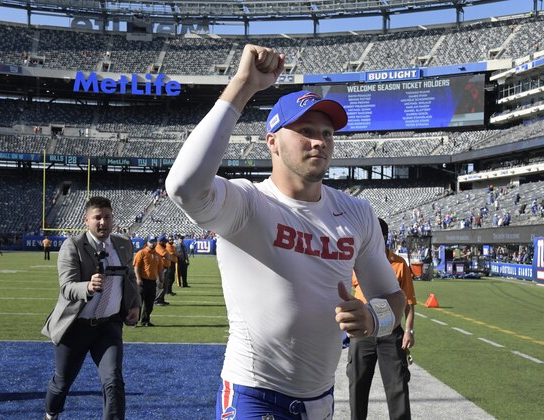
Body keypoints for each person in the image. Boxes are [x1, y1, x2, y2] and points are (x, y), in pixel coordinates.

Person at [166, 44, 405, 419]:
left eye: (327, 133)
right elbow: (183, 186)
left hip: (321, 400)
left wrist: (375, 319)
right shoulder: (247, 203)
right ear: (272, 142)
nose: (319, 141)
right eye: (306, 130)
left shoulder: (358, 212)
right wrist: (243, 86)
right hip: (253, 394)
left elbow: (392, 296)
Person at [42, 196, 141, 420]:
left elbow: (130, 279)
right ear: (86, 220)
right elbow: (67, 287)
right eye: (97, 217)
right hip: (75, 326)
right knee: (62, 382)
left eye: (107, 217)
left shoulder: (123, 244)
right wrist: (87, 285)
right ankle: (51, 413)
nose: (103, 222)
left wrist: (135, 304)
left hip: (108, 327)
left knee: (113, 380)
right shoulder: (73, 245)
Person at [347, 218, 416, 420]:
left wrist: (409, 331)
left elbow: (409, 302)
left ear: (383, 237)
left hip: (390, 332)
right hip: (362, 335)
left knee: (398, 386)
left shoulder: (399, 264)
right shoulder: (356, 261)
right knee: (357, 385)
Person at [133, 235, 163, 326]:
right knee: (139, 302)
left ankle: (145, 321)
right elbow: (136, 267)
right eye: (151, 241)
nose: (152, 243)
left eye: (154, 241)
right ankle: (134, 321)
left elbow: (160, 269)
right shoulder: (141, 253)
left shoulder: (158, 255)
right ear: (147, 243)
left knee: (149, 303)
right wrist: (138, 278)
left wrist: (161, 281)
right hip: (142, 281)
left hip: (152, 282)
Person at [154, 235, 172, 306]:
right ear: (160, 242)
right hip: (161, 269)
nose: (166, 243)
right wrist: (168, 256)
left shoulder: (162, 247)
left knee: (165, 284)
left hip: (165, 268)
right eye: (164, 242)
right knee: (160, 284)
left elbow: (168, 256)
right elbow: (167, 255)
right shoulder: (159, 247)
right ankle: (157, 300)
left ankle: (161, 299)